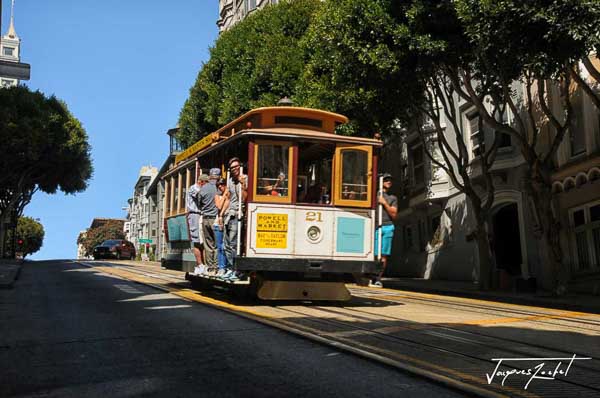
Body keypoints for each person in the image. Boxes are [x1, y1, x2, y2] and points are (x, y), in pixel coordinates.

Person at [223, 157, 247, 280]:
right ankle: (231, 268)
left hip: (238, 214)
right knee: (226, 244)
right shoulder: (230, 181)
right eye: (232, 168)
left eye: (236, 167)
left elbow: (244, 198)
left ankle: (236, 270)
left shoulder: (244, 179)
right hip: (229, 214)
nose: (234, 169)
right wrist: (221, 214)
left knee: (233, 244)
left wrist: (242, 185)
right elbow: (228, 198)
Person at [372, 173, 398, 287]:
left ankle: (378, 278)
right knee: (374, 253)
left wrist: (384, 203)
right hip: (375, 226)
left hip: (387, 226)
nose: (389, 182)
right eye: (386, 180)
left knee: (383, 255)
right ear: (381, 181)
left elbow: (394, 214)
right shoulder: (374, 195)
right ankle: (371, 275)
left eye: (390, 180)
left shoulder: (392, 198)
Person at [197, 168, 221, 274]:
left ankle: (210, 267)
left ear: (210, 176)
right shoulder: (220, 188)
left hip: (205, 218)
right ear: (218, 176)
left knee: (208, 244)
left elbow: (199, 202)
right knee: (217, 244)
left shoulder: (203, 188)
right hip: (216, 219)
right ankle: (216, 267)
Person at [187, 174, 208, 275]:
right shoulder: (193, 188)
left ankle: (204, 265)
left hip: (200, 215)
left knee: (202, 241)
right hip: (195, 215)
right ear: (201, 182)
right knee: (196, 241)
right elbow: (201, 196)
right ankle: (200, 265)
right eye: (206, 184)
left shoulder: (199, 188)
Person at [214, 177, 228, 276]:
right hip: (217, 223)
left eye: (222, 184)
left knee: (226, 246)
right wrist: (224, 195)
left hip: (226, 221)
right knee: (219, 246)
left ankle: (226, 266)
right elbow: (219, 206)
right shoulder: (217, 196)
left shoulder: (230, 195)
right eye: (218, 185)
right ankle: (221, 267)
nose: (220, 187)